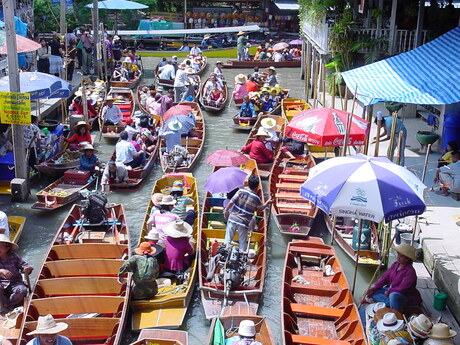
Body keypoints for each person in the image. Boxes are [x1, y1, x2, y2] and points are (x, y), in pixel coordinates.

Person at [362, 243, 421, 320]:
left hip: (404, 296)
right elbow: (385, 278)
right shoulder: (395, 265)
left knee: (393, 296)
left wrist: (389, 291)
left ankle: (396, 315)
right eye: (398, 254)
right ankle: (389, 303)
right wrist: (373, 289)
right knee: (374, 292)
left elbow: (403, 288)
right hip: (391, 290)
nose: (398, 257)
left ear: (407, 259)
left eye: (401, 256)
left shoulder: (410, 272)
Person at [223, 175, 272, 251]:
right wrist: (267, 203)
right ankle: (242, 257)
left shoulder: (240, 191)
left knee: (227, 240)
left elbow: (231, 202)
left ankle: (224, 253)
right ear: (256, 187)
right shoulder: (256, 198)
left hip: (233, 219)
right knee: (242, 243)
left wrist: (226, 211)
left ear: (248, 183)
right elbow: (260, 208)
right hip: (243, 222)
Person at [0, 234, 32, 314]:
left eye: (0, 247)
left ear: (7, 248)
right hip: (1, 283)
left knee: (22, 290)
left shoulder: (13, 256)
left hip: (15, 282)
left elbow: (24, 265)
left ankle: (9, 304)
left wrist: (26, 269)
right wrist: (1, 270)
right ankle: (3, 308)